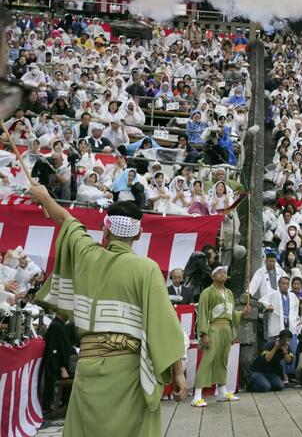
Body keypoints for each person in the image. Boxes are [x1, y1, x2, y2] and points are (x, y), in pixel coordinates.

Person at [32, 186, 188, 437]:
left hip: (89, 366)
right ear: (138, 235)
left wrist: (44, 198)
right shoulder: (146, 269)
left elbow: (66, 220)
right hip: (127, 370)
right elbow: (164, 326)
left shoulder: (86, 255)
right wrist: (178, 372)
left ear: (105, 230)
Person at [191, 265, 250, 407]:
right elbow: (203, 314)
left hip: (226, 329)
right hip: (213, 329)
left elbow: (230, 313)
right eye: (220, 272)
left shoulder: (229, 292)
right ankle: (197, 395)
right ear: (213, 276)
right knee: (208, 360)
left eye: (225, 272)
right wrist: (204, 334)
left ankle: (222, 391)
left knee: (223, 360)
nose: (223, 274)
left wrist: (241, 313)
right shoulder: (207, 292)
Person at [40, 309, 78, 412]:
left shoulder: (59, 325)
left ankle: (64, 403)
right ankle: (50, 407)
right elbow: (55, 348)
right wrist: (62, 367)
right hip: (57, 365)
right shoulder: (56, 326)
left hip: (61, 364)